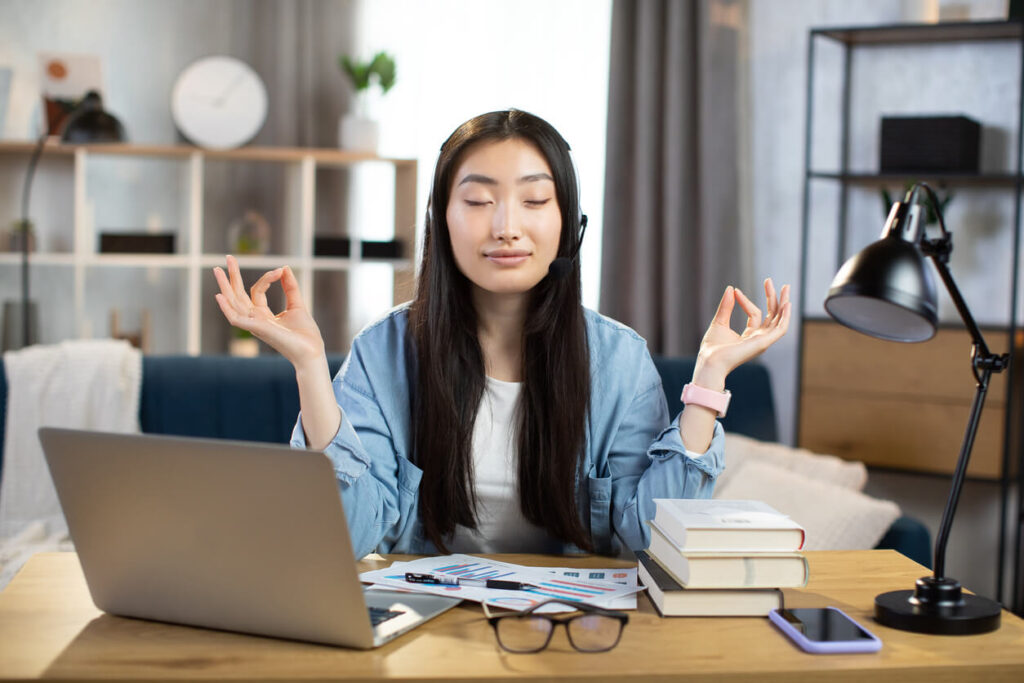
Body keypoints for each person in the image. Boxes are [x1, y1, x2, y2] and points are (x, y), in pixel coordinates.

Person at [213, 109, 790, 559]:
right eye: (479, 200)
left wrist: (708, 380)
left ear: (568, 223)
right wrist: (311, 368)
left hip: (567, 635)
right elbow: (351, 534)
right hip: (423, 633)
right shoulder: (383, 351)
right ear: (441, 218)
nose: (506, 227)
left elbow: (648, 538)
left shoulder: (617, 360)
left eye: (535, 200)